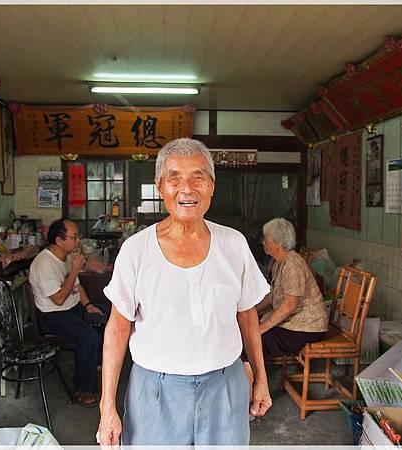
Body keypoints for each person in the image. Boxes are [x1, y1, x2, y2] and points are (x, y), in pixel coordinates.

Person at [98, 138, 272, 447]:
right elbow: (118, 328)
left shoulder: (234, 244)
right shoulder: (136, 250)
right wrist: (106, 406)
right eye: (174, 177)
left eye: (198, 177)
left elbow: (247, 315)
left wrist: (261, 377)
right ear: (160, 186)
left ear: (212, 186)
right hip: (155, 390)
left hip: (225, 385)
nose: (186, 188)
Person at [29, 218, 109, 407]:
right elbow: (58, 299)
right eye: (74, 237)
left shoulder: (65, 256)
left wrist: (88, 305)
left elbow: (77, 286)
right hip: (52, 315)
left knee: (110, 315)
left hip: (72, 308)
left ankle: (94, 362)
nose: (78, 241)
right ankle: (82, 389)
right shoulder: (44, 264)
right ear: (59, 240)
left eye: (78, 236)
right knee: (88, 338)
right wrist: (74, 270)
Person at [255, 218, 328, 360]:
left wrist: (264, 326)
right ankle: (251, 379)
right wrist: (253, 309)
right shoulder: (279, 262)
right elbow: (273, 294)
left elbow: (290, 304)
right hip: (294, 323)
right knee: (252, 331)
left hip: (307, 328)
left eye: (267, 239)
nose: (263, 242)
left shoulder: (292, 264)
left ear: (279, 243)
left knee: (255, 342)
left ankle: (254, 381)